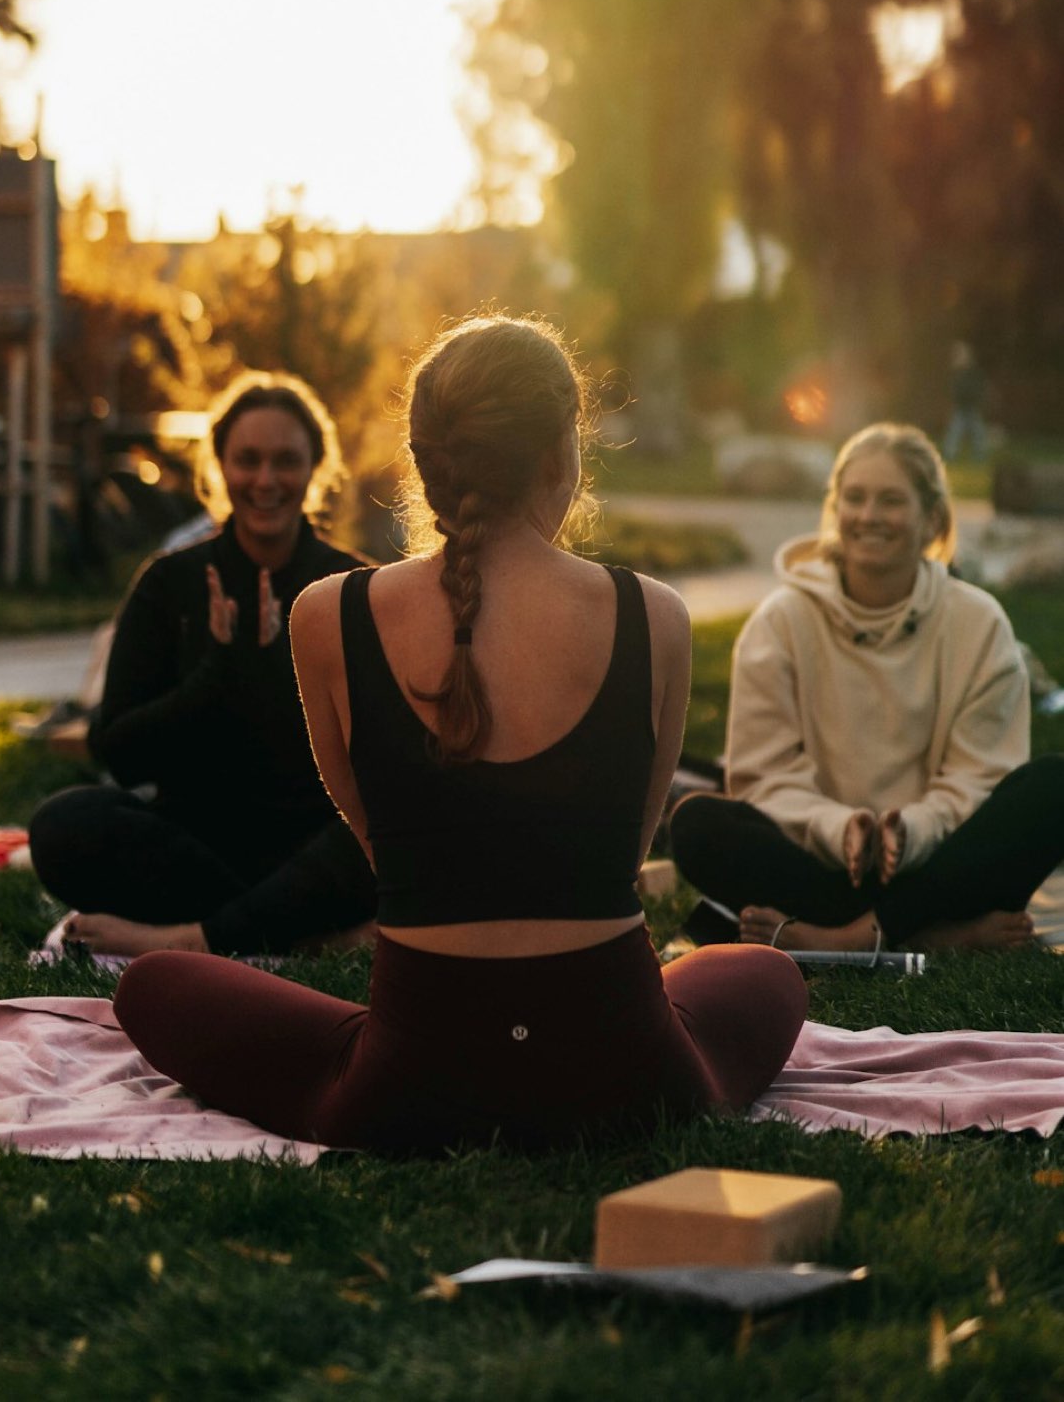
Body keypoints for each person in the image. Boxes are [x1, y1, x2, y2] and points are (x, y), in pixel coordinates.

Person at [111, 315, 806, 1154]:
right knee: (761, 970)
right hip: (629, 1075)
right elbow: (619, 858)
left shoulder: (327, 615)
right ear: (560, 456)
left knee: (154, 986)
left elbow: (382, 851)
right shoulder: (653, 615)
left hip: (410, 1084)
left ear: (424, 459)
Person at [670, 423, 1064, 954]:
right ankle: (931, 935)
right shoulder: (780, 623)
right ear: (835, 511)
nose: (869, 516)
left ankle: (853, 937)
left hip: (942, 860)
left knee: (1052, 785)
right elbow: (764, 777)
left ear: (931, 519)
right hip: (822, 862)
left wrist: (912, 830)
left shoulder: (978, 623)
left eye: (891, 500)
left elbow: (982, 776)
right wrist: (840, 829)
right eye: (854, 498)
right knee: (697, 823)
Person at [28, 371, 377, 957]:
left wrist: (273, 672)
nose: (266, 480)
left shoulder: (354, 588)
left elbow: (376, 764)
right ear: (220, 466)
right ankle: (296, 930)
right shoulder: (169, 585)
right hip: (196, 844)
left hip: (309, 842)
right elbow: (116, 747)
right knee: (61, 826)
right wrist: (217, 675)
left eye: (285, 461)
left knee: (387, 836)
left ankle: (199, 938)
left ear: (316, 468)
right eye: (248, 460)